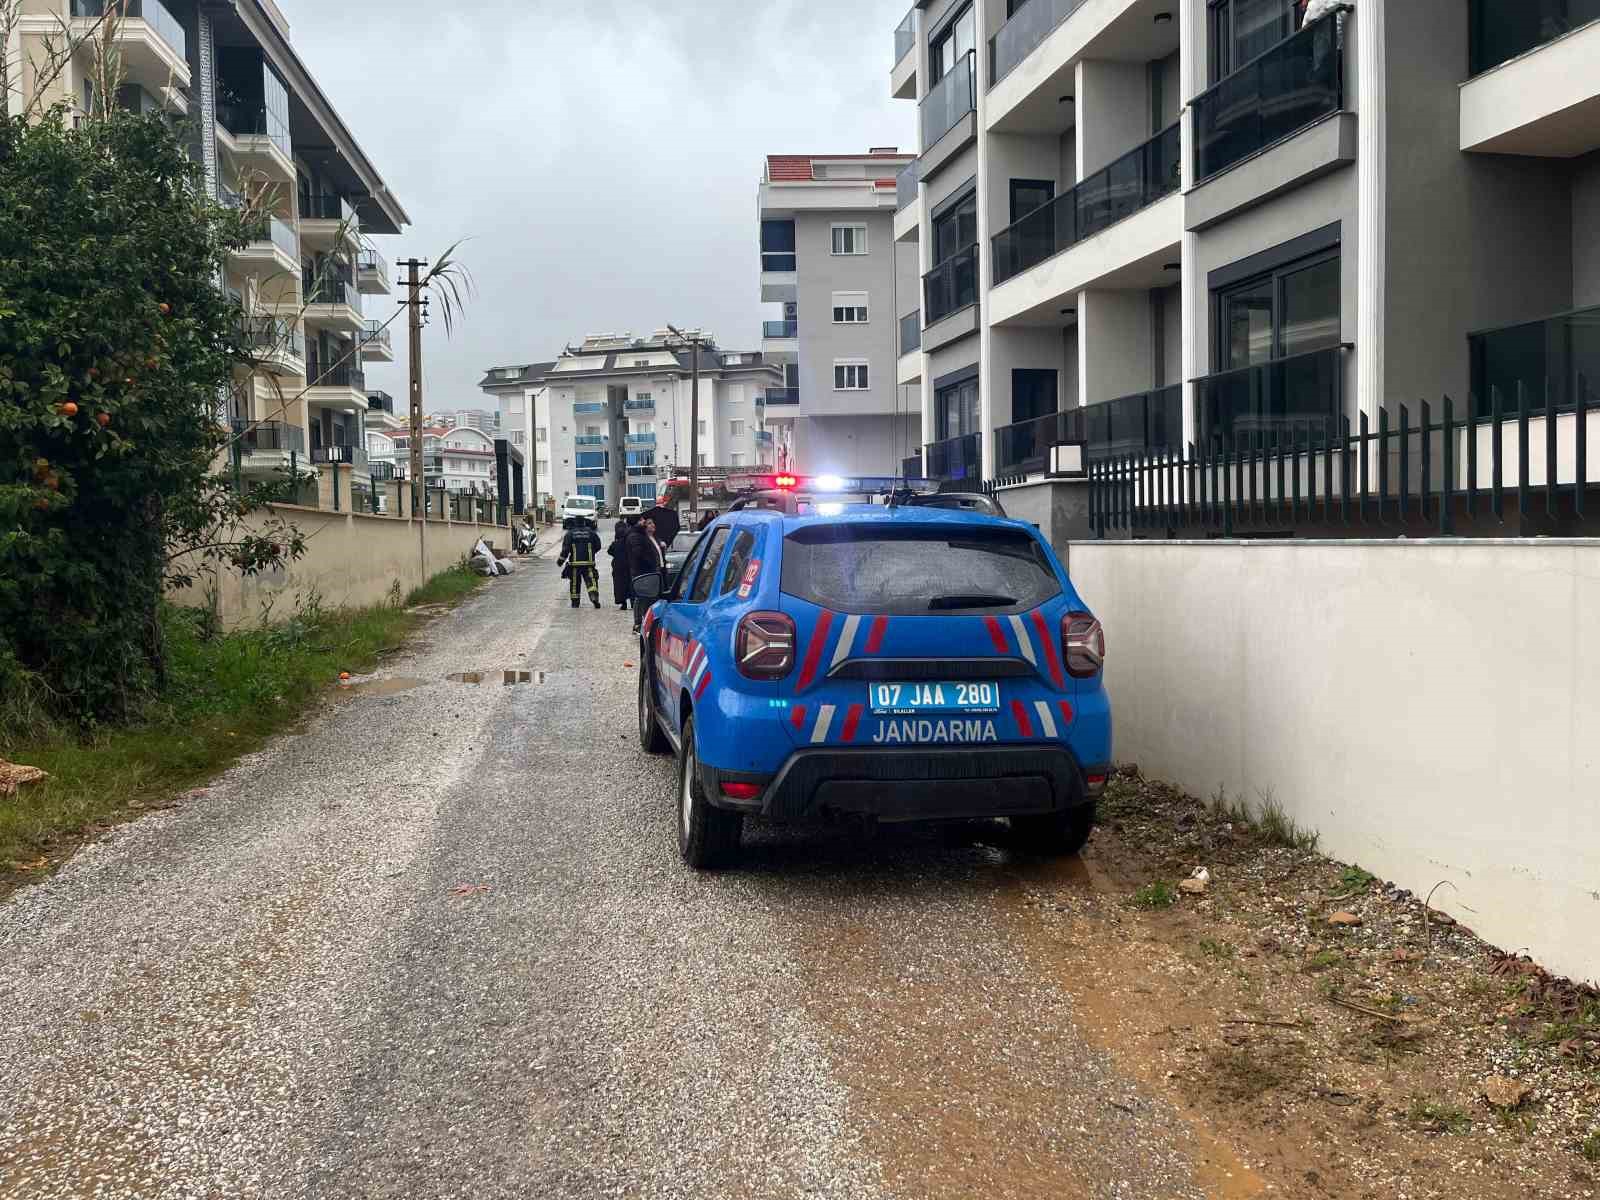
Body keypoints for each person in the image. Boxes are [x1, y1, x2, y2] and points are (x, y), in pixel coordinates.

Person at [625, 515, 665, 634]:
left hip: (657, 571)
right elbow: (640, 555)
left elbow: (656, 554)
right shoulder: (639, 537)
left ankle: (652, 621)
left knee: (654, 597)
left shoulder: (655, 538)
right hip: (644, 572)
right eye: (648, 523)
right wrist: (650, 564)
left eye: (652, 523)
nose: (651, 525)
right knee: (641, 597)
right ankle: (638, 623)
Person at [557, 516, 602, 609]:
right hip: (589, 563)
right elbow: (598, 545)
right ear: (584, 523)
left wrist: (560, 561)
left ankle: (575, 602)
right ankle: (594, 597)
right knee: (591, 582)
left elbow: (565, 550)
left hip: (575, 565)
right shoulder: (591, 533)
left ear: (575, 523)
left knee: (575, 583)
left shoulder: (570, 534)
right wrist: (591, 553)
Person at [606, 519, 633, 612]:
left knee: (619, 585)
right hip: (629, 565)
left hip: (618, 566)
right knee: (630, 583)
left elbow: (609, 551)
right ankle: (633, 602)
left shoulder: (615, 543)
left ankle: (623, 602)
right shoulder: (629, 541)